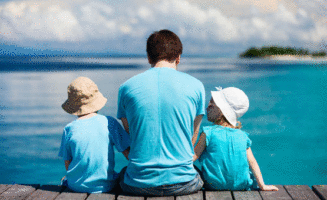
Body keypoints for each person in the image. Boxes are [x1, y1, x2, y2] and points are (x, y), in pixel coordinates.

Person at [117, 29, 205, 196]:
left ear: (149, 58)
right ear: (178, 57)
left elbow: (131, 133)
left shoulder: (126, 87)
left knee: (122, 174)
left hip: (138, 183)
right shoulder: (197, 86)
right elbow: (193, 135)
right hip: (183, 183)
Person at [193, 87, 279, 191]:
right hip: (241, 185)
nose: (208, 106)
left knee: (193, 168)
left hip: (213, 186)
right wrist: (262, 185)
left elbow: (194, 156)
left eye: (212, 102)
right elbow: (252, 162)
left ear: (221, 110)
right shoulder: (243, 136)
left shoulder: (208, 132)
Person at [58, 77, 131, 193]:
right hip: (106, 187)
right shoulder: (110, 123)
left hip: (75, 186)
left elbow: (68, 164)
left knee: (65, 178)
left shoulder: (69, 128)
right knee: (123, 172)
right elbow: (129, 155)